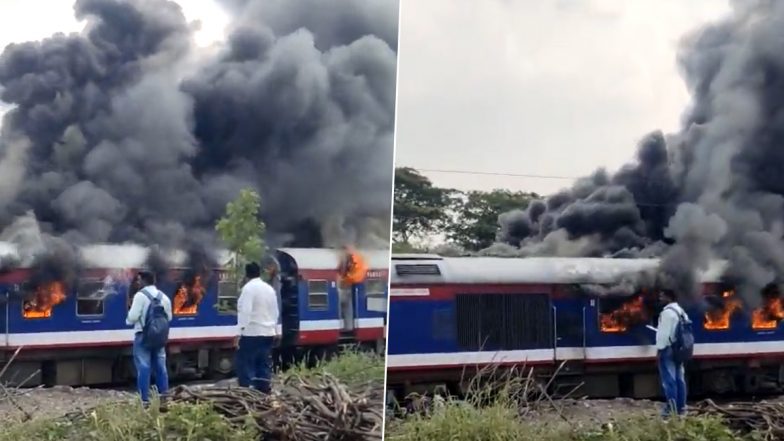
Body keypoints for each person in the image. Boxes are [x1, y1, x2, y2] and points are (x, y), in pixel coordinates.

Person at [126, 270, 173, 406]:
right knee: (161, 367)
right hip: (159, 338)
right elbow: (169, 318)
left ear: (144, 281)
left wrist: (129, 319)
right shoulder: (164, 297)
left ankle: (144, 401)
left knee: (144, 367)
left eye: (139, 280)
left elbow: (133, 317)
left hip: (143, 336)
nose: (138, 282)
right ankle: (164, 399)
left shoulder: (140, 296)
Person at [235, 262, 280, 392]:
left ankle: (246, 391)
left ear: (246, 274)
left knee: (245, 363)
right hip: (268, 333)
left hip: (251, 333)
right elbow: (275, 312)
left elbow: (245, 312)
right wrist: (274, 328)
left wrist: (239, 332)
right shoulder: (269, 289)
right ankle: (264, 390)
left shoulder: (248, 289)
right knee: (263, 363)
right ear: (259, 273)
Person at [655, 289, 688, 417]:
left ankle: (671, 409)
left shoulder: (667, 313)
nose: (660, 298)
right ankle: (681, 408)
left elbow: (664, 335)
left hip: (668, 349)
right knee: (680, 379)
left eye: (662, 296)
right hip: (679, 349)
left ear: (669, 297)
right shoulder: (681, 311)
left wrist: (660, 349)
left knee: (669, 381)